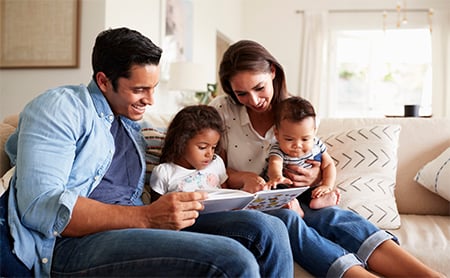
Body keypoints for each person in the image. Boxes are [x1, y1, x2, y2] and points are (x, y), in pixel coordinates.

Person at [0, 28, 294, 277]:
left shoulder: (133, 124)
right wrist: (146, 217)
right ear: (104, 81)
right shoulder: (60, 107)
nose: (151, 100)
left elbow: (184, 156)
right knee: (233, 258)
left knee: (268, 228)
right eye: (140, 89)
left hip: (136, 225)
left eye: (154, 88)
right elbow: (40, 206)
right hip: (71, 243)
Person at [210, 39, 443, 277]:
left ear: (272, 72)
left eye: (259, 88)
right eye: (241, 93)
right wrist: (244, 178)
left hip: (296, 194)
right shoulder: (222, 110)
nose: (254, 100)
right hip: (250, 203)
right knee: (287, 221)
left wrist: (315, 176)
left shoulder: (298, 113)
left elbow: (315, 159)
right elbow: (210, 169)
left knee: (334, 216)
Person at [264, 96, 340, 217]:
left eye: (305, 139)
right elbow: (275, 163)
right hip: (285, 188)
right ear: (277, 134)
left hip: (308, 188)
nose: (297, 145)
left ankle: (321, 200)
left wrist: (327, 185)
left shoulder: (317, 144)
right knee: (275, 194)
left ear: (314, 132)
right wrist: (277, 176)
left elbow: (329, 164)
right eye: (289, 139)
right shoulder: (278, 148)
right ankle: (294, 208)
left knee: (316, 192)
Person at [150, 105, 227, 201]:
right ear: (181, 142)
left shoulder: (216, 163)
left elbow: (226, 194)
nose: (210, 154)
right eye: (202, 147)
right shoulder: (164, 172)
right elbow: (156, 209)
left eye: (213, 147)